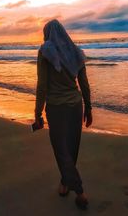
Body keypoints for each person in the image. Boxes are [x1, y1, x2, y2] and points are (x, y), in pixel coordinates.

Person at [34, 19, 93, 210]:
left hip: (56, 107)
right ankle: (65, 181)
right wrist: (89, 108)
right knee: (71, 147)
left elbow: (42, 85)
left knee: (62, 150)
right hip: (76, 106)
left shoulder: (45, 51)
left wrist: (37, 112)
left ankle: (79, 191)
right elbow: (84, 83)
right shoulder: (75, 52)